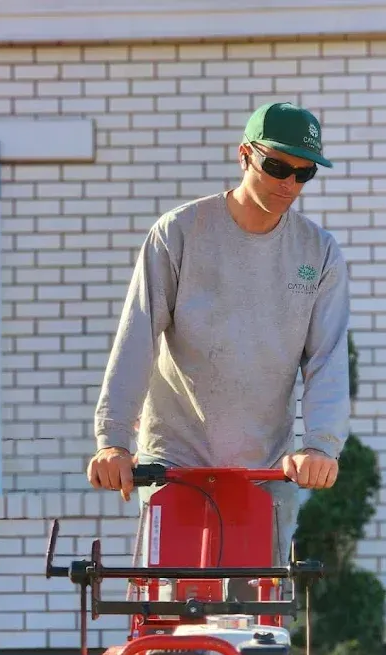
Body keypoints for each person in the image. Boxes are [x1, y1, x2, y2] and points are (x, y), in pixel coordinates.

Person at [87, 102, 350, 566]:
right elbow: (137, 339)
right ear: (244, 155)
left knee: (255, 622)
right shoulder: (180, 233)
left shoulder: (319, 251)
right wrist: (112, 442)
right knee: (171, 612)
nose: (288, 183)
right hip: (176, 465)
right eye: (276, 166)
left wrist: (321, 446)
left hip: (264, 471)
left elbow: (327, 357)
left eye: (303, 173)